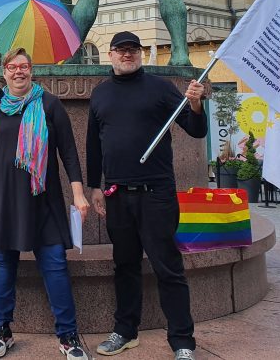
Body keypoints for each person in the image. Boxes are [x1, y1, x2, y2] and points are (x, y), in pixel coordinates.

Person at [86, 31, 206, 359]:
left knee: (168, 267)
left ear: (140, 54)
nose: (128, 55)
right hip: (116, 194)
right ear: (109, 55)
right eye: (122, 50)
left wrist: (195, 103)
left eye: (133, 50)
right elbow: (93, 145)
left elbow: (196, 130)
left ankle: (182, 340)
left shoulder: (160, 88)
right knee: (124, 265)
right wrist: (94, 186)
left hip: (157, 194)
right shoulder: (100, 94)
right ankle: (125, 331)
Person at [0, 48, 89, 359]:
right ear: (4, 71)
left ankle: (67, 335)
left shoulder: (49, 104)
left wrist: (78, 193)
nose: (18, 72)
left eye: (24, 66)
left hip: (41, 198)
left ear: (31, 70)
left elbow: (69, 152)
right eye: (12, 67)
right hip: (2, 197)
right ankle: (2, 331)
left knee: (54, 264)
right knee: (3, 263)